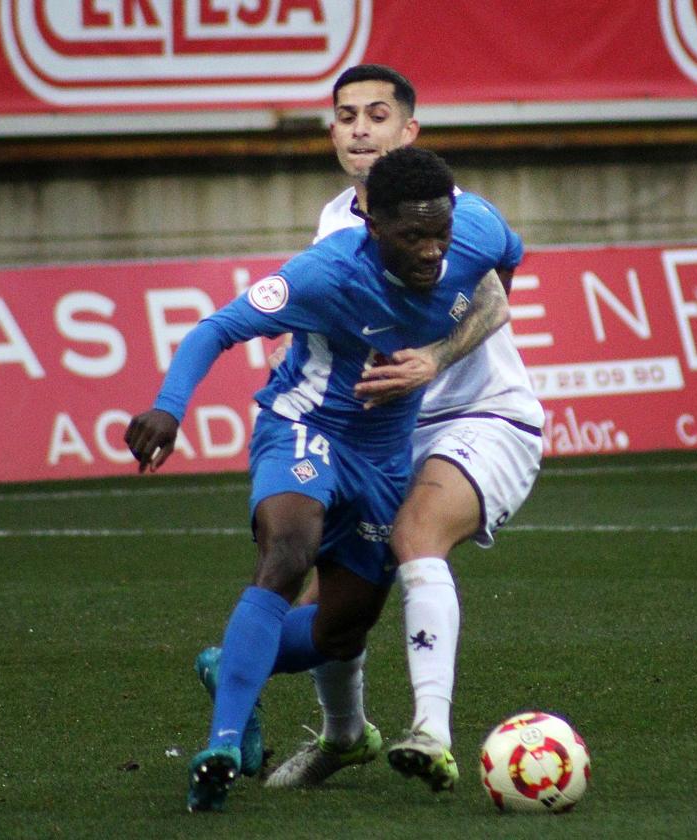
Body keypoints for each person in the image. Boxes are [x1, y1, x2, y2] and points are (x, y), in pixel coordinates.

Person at [124, 146, 522, 812]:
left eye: (440, 235)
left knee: (342, 630)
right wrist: (169, 407)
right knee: (288, 551)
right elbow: (216, 329)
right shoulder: (325, 273)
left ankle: (234, 671)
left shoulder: (477, 229)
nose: (431, 251)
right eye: (412, 237)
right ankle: (222, 744)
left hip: (385, 458)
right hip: (305, 426)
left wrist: (449, 344)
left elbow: (502, 271)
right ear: (373, 227)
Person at [265, 65, 544, 794]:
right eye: (347, 115)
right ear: (331, 133)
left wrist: (438, 355)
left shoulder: (453, 210)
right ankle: (345, 737)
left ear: (409, 130)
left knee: (416, 535)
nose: (361, 128)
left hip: (485, 416)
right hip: (388, 437)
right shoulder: (332, 227)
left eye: (378, 114)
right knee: (331, 598)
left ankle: (433, 733)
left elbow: (497, 299)